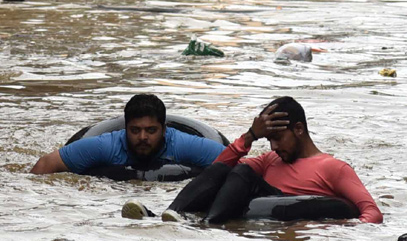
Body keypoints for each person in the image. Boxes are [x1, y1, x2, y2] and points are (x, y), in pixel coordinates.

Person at [123, 97, 382, 224]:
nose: (274, 146)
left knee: (244, 174)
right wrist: (250, 136)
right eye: (269, 140)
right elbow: (220, 169)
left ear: (299, 130)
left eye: (278, 138)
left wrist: (339, 234)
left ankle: (205, 225)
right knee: (230, 171)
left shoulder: (333, 168)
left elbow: (372, 213)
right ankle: (167, 216)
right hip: (248, 210)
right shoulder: (270, 160)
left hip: (290, 210)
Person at [31, 93, 224, 176]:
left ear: (164, 130)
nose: (142, 137)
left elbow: (237, 164)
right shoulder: (105, 146)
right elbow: (46, 164)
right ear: (125, 129)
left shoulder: (184, 144)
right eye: (135, 130)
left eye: (151, 130)